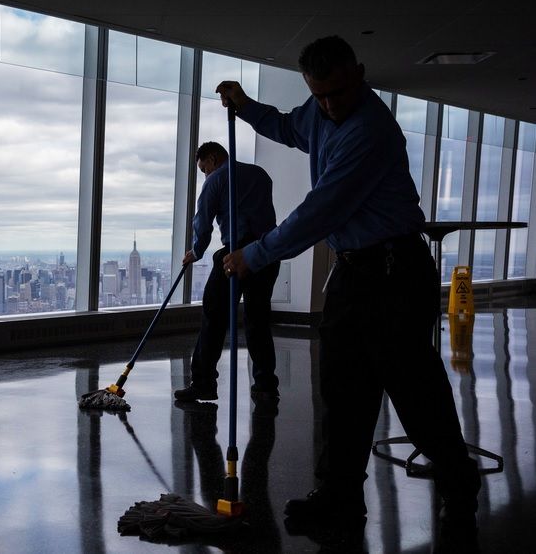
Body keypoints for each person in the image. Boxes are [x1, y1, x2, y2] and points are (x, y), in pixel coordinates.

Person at [217, 36, 481, 536]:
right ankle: (339, 497)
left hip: (395, 271)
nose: (329, 105)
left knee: (414, 391)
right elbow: (287, 126)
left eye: (337, 93)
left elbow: (321, 211)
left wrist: (252, 255)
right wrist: (246, 106)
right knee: (341, 391)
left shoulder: (372, 130)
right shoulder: (319, 112)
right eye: (319, 95)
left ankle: (459, 488)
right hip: (353, 269)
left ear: (358, 74)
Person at [173, 141, 281, 405]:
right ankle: (266, 387)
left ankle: (203, 384)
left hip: (235, 255)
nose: (205, 174)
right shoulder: (260, 175)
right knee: (258, 320)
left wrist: (195, 251)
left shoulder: (216, 180)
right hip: (266, 253)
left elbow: (203, 221)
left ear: (212, 159)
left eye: (204, 169)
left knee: (214, 317)